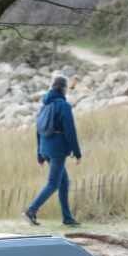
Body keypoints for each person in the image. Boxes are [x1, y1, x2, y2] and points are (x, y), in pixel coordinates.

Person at [25, 74, 81, 227]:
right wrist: (77, 153)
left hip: (45, 148)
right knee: (53, 183)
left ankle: (67, 218)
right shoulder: (64, 106)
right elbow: (70, 131)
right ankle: (31, 210)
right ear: (63, 89)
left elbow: (38, 130)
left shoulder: (45, 105)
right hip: (58, 150)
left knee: (63, 182)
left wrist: (39, 155)